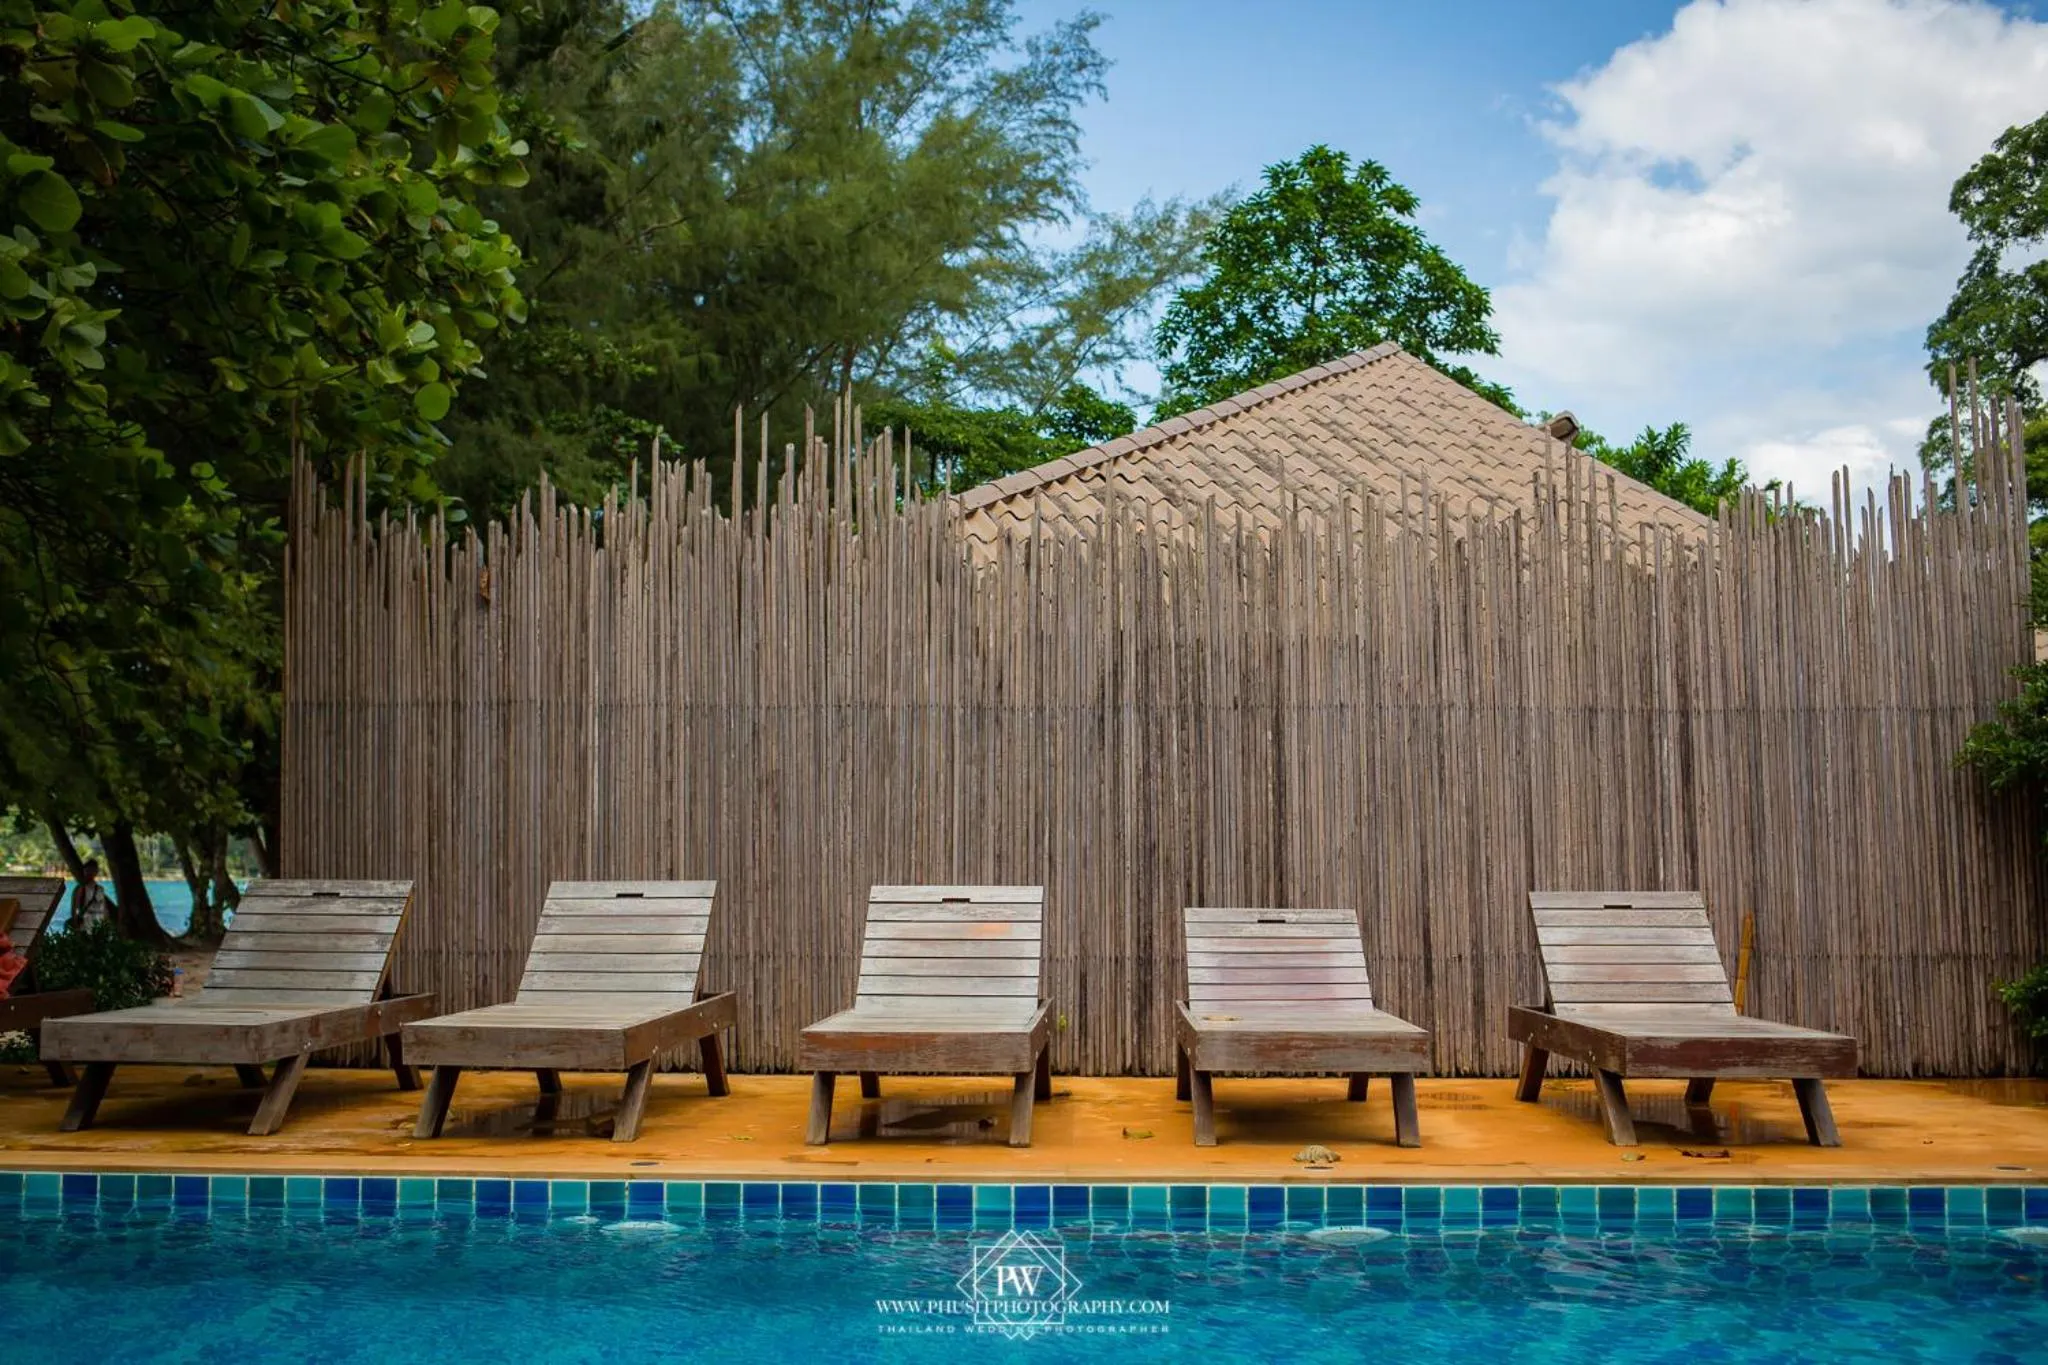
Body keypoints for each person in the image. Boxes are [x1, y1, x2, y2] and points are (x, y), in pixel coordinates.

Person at [70, 859, 112, 931]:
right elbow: (75, 907)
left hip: (96, 923)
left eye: (92, 870)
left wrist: (106, 924)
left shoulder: (99, 889)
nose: (89, 873)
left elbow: (104, 908)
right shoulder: (80, 888)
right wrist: (76, 921)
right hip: (86, 923)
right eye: (88, 870)